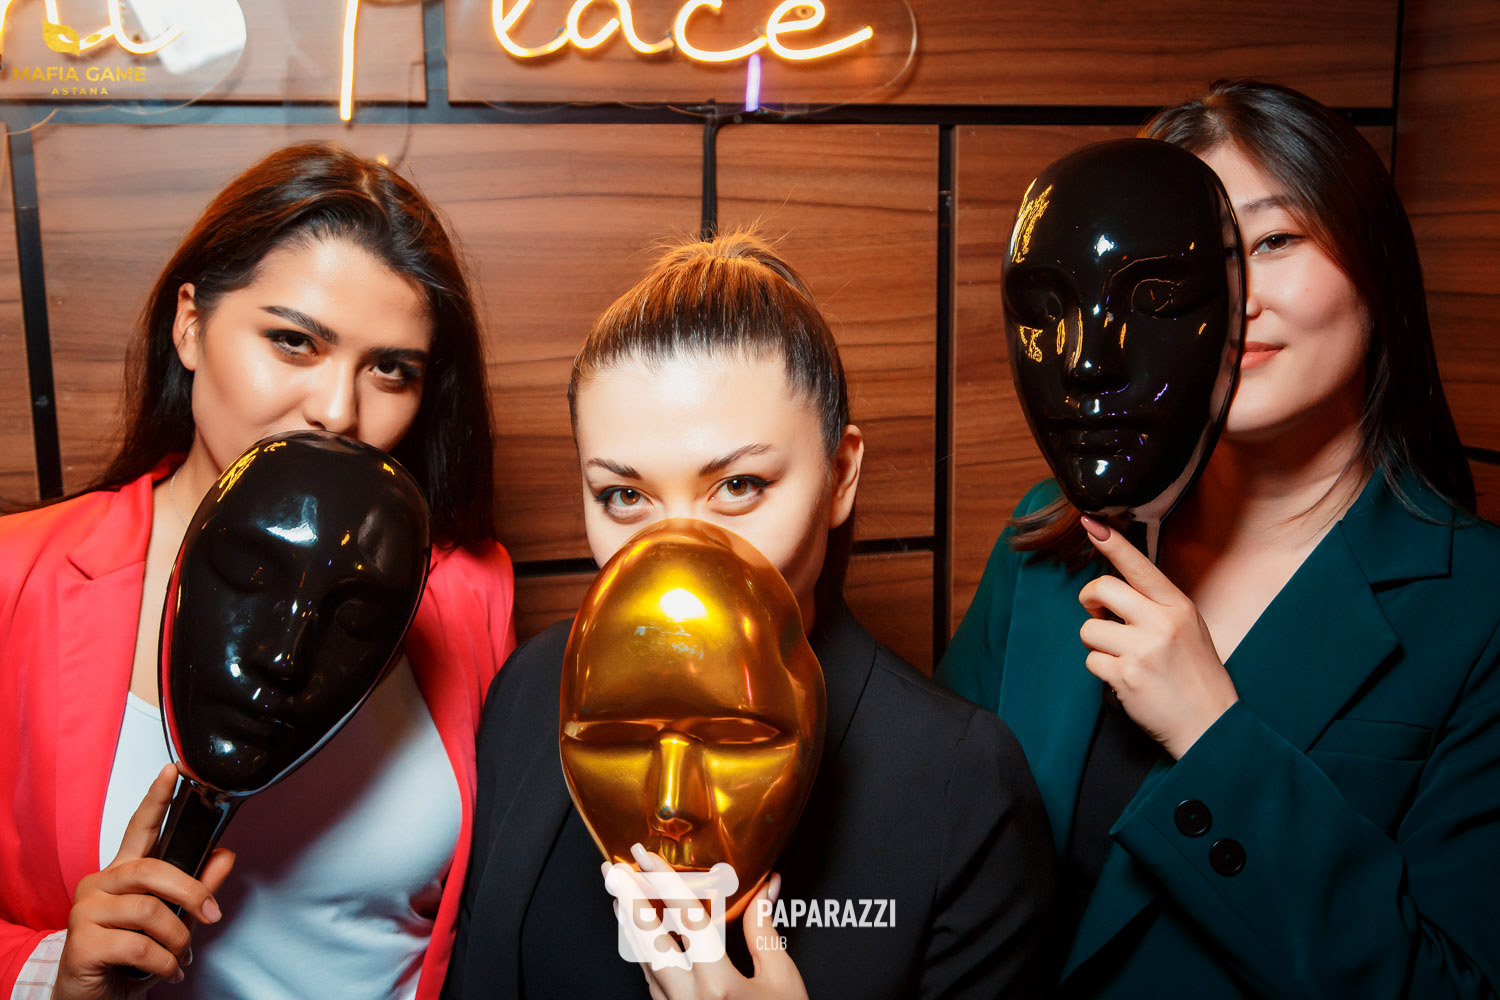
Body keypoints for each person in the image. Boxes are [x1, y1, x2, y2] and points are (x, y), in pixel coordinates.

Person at [937, 78, 1500, 998]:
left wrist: (1212, 733)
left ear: (1374, 263)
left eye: (1273, 241)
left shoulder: (1478, 609)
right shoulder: (1050, 542)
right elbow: (938, 845)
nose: (1233, 293)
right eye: (1193, 255)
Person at [443, 232, 1058, 1000]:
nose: (680, 547)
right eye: (625, 496)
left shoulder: (964, 786)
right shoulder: (532, 690)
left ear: (840, 474)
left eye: (738, 486)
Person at [0, 141, 517, 1000]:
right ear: (190, 325)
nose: (337, 411)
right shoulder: (18, 579)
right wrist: (52, 971)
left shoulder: (468, 589)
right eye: (293, 341)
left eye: (391, 369)